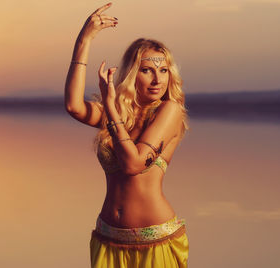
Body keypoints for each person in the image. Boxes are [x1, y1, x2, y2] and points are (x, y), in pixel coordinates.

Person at [64, 2, 189, 268]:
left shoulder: (170, 111)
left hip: (154, 242)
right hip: (108, 238)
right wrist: (84, 39)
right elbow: (74, 106)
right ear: (133, 74)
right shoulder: (119, 113)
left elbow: (133, 164)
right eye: (148, 70)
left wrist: (111, 109)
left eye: (163, 70)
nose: (158, 79)